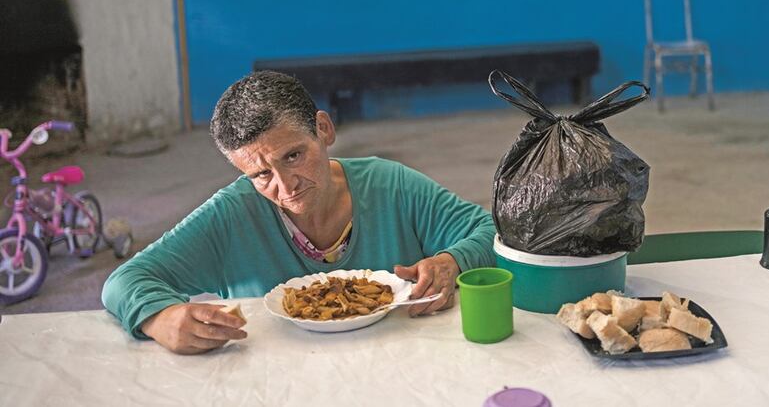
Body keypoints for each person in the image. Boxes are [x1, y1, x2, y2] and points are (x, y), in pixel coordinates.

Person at [102, 71, 496, 354]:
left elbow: (487, 230)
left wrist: (453, 261)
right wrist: (160, 318)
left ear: (323, 129)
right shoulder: (231, 216)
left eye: (294, 156)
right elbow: (125, 280)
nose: (286, 186)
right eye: (260, 174)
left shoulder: (391, 186)